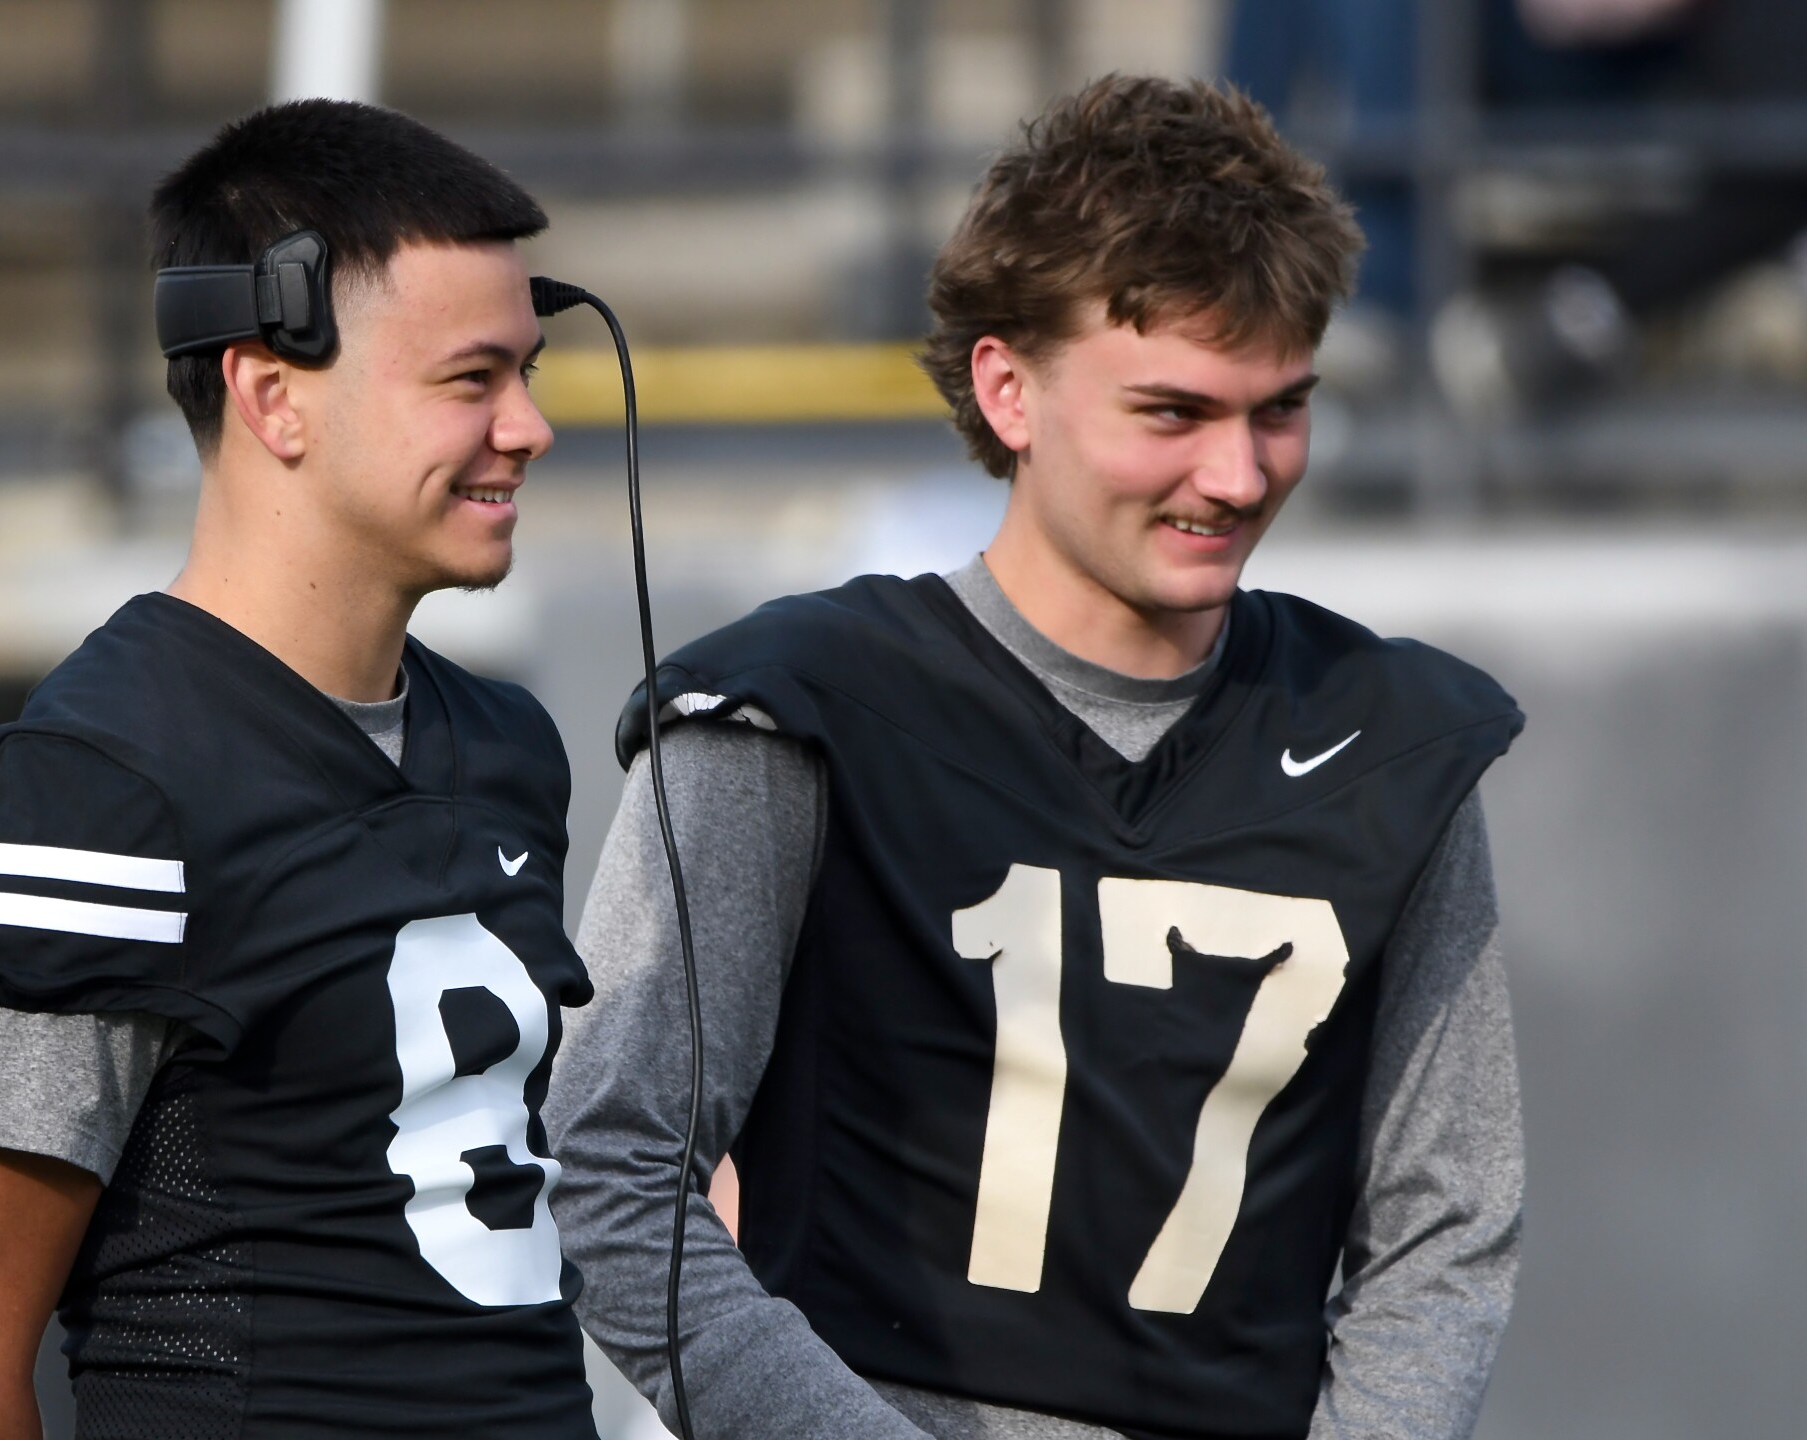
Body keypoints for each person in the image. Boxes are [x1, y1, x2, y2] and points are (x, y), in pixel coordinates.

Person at [551, 76, 1526, 1440]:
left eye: (1282, 408)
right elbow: (610, 1164)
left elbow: (1448, 1220)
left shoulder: (1391, 739)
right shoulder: (791, 707)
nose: (1241, 475)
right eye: (1174, 414)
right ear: (1007, 386)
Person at [0, 99, 600, 1440]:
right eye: (471, 380)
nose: (529, 427)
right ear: (272, 394)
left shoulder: (504, 748)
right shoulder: (96, 792)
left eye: (528, 374)